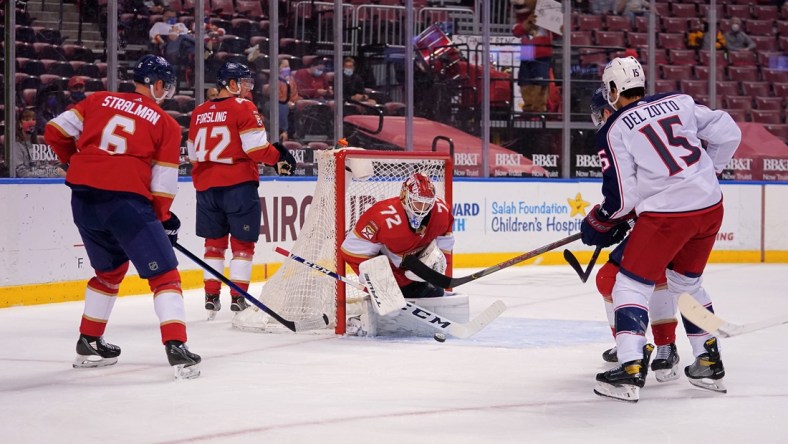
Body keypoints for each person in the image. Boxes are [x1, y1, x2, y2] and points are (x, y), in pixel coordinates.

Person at [582, 56, 740, 402]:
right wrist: (708, 173)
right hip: (710, 208)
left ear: (612, 89)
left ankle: (630, 368)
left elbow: (622, 198)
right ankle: (708, 361)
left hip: (669, 216)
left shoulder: (615, 128)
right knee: (688, 284)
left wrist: (599, 221)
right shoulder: (679, 101)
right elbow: (729, 131)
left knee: (628, 284)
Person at [43, 54, 201, 379]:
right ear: (158, 85)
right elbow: (164, 181)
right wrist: (163, 218)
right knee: (166, 276)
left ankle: (89, 339)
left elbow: (54, 130)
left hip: (83, 199)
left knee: (110, 271)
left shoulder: (97, 100)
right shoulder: (166, 123)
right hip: (126, 202)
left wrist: (75, 161)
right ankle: (176, 346)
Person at [187, 62, 296, 319]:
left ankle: (211, 296)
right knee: (242, 245)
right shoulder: (243, 107)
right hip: (238, 185)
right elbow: (257, 149)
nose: (247, 87)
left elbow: (193, 154)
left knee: (213, 244)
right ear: (231, 84)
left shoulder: (199, 112)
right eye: (243, 82)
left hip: (205, 188)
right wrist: (278, 159)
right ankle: (239, 297)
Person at [589, 88, 682, 383]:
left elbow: (632, 191)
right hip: (682, 213)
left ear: (606, 111)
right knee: (624, 279)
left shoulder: (618, 133)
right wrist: (622, 217)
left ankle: (654, 347)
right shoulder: (640, 125)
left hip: (669, 220)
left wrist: (605, 220)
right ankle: (638, 346)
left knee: (645, 278)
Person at [340, 173, 454, 300]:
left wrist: (438, 269)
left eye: (426, 203)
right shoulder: (380, 216)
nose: (422, 209)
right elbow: (351, 249)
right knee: (397, 303)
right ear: (404, 195)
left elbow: (445, 241)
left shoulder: (442, 211)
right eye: (417, 202)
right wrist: (373, 277)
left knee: (435, 292)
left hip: (414, 273)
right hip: (392, 272)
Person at [512, 0, 553, 113]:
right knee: (524, 81)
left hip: (542, 50)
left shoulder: (547, 15)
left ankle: (539, 110)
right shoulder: (521, 19)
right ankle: (528, 109)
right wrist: (529, 22)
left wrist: (547, 20)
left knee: (540, 82)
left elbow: (558, 32)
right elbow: (516, 31)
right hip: (526, 50)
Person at [13, 108, 67, 178]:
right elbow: (22, 173)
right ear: (20, 124)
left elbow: (44, 165)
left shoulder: (36, 144)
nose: (31, 122)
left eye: (33, 120)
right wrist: (53, 173)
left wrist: (55, 169)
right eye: (27, 120)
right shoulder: (17, 146)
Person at [275, 57, 301, 141]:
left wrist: (294, 101)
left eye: (288, 66)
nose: (287, 68)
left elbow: (295, 93)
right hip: (278, 103)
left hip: (290, 103)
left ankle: (297, 134)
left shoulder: (291, 79)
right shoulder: (275, 80)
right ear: (278, 67)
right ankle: (284, 131)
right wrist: (287, 102)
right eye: (285, 66)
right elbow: (277, 95)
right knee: (283, 107)